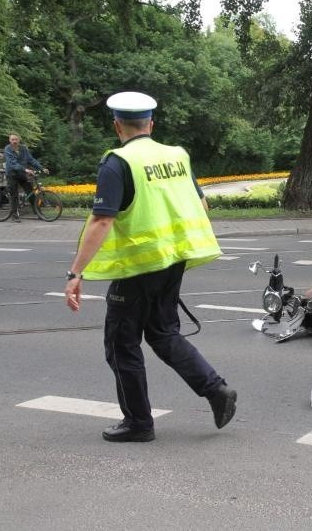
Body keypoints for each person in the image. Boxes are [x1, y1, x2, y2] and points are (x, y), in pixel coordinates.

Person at [64, 91, 236, 443]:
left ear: (116, 126)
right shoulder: (177, 156)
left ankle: (139, 423)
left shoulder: (118, 162)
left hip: (139, 267)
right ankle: (216, 390)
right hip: (173, 261)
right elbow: (201, 204)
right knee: (162, 333)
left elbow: (101, 221)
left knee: (121, 344)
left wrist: (75, 273)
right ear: (151, 124)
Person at [4, 134, 48, 222]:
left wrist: (42, 168)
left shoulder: (23, 149)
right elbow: (13, 163)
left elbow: (31, 160)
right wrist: (25, 170)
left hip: (21, 174)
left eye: (16, 139)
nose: (15, 141)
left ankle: (38, 213)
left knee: (31, 192)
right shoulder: (7, 149)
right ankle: (14, 216)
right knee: (14, 195)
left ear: (19, 140)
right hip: (12, 175)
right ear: (10, 140)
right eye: (13, 139)